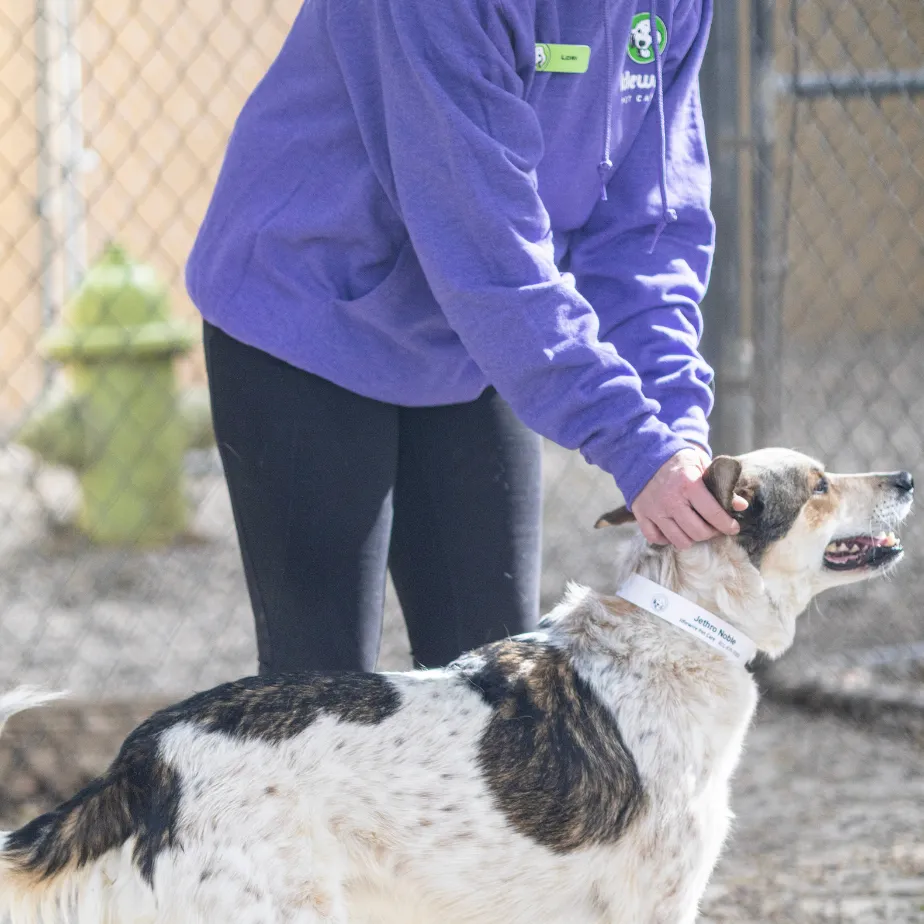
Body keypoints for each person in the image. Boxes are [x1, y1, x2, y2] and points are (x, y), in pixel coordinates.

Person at [187, 0, 740, 676]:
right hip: (310, 309)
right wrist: (635, 446)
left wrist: (675, 435)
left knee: (496, 682)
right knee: (321, 689)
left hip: (485, 337)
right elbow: (484, 247)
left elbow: (647, 233)